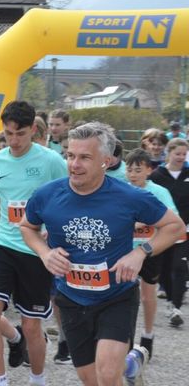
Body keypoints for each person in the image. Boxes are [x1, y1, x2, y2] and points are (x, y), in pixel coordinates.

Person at [20, 122, 185, 386]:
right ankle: (130, 368)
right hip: (72, 299)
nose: (75, 164)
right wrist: (44, 253)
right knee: (92, 379)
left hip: (116, 296)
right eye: (71, 156)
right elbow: (27, 227)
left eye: (85, 157)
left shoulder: (129, 196)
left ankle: (123, 368)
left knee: (107, 376)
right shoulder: (47, 195)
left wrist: (140, 253)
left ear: (105, 161)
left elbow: (174, 226)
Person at [0, 101, 67, 386]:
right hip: (3, 246)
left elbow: (66, 202)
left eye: (21, 134)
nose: (14, 141)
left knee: (31, 326)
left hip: (36, 253)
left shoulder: (52, 161)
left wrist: (51, 234)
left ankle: (37, 379)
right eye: (8, 134)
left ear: (34, 130)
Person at [125, 148, 180, 358]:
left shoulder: (158, 192)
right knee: (125, 297)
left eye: (138, 170)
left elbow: (173, 221)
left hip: (151, 250)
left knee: (148, 295)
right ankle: (125, 339)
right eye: (129, 170)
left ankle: (148, 335)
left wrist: (142, 222)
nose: (133, 174)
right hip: (125, 252)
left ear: (149, 170)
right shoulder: (122, 190)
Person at [148, 137, 189, 328]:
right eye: (177, 153)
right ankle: (170, 300)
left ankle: (176, 306)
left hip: (185, 229)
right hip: (162, 229)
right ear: (169, 153)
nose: (181, 157)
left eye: (184, 154)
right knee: (164, 268)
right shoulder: (157, 175)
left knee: (180, 266)